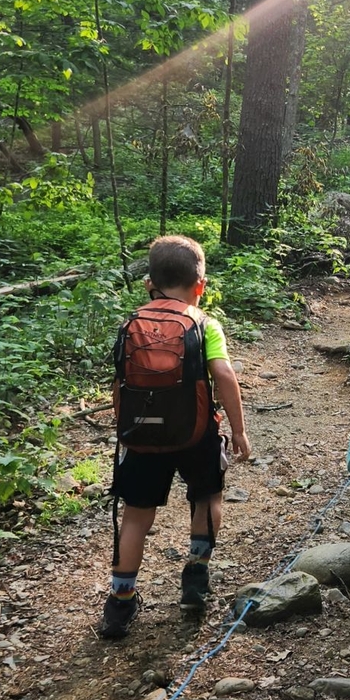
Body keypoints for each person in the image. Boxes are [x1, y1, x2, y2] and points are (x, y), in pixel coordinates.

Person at [99, 234, 251, 640]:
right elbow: (224, 376)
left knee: (136, 516)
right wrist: (238, 430)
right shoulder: (204, 324)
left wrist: (127, 428)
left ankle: (120, 603)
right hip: (196, 432)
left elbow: (120, 384)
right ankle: (196, 577)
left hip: (141, 438)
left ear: (150, 281)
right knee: (207, 497)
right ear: (199, 286)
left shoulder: (130, 324)